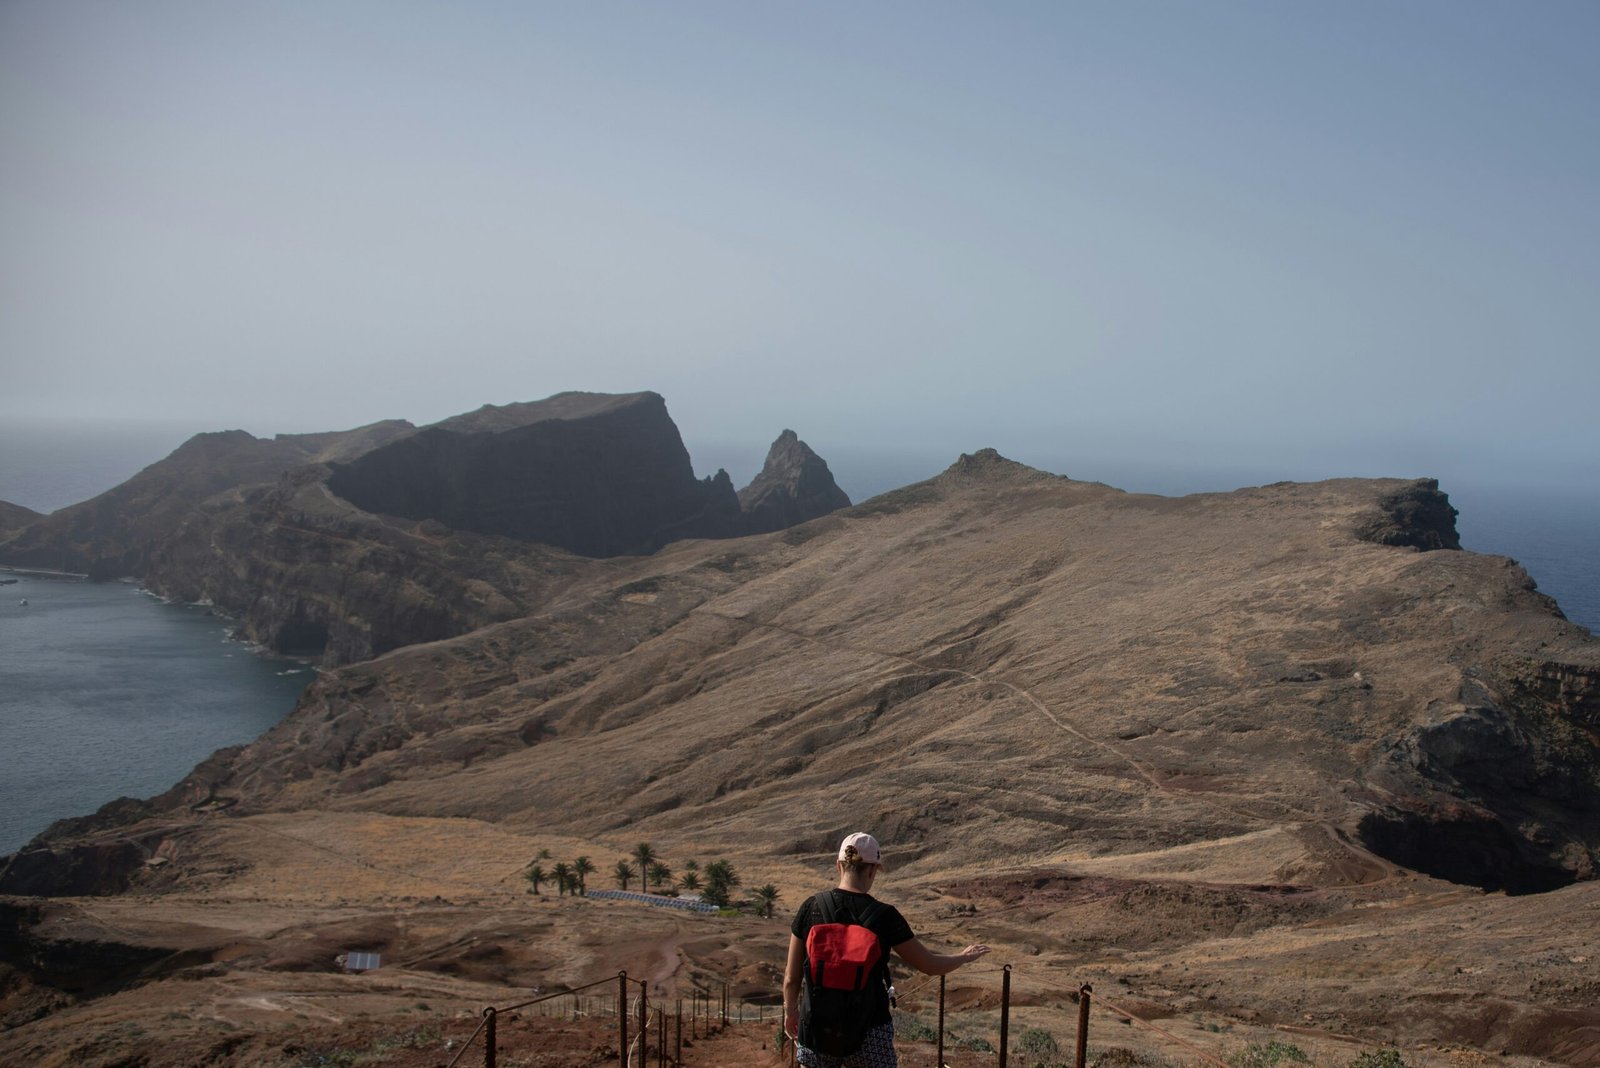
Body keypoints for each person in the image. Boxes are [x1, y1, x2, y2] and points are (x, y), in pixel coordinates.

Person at [783, 831, 989, 1068]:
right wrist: (963, 957)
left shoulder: (811, 908)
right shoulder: (885, 916)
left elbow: (791, 978)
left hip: (817, 1028)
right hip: (870, 1033)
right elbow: (930, 965)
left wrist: (791, 1012)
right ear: (873, 870)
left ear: (838, 865)